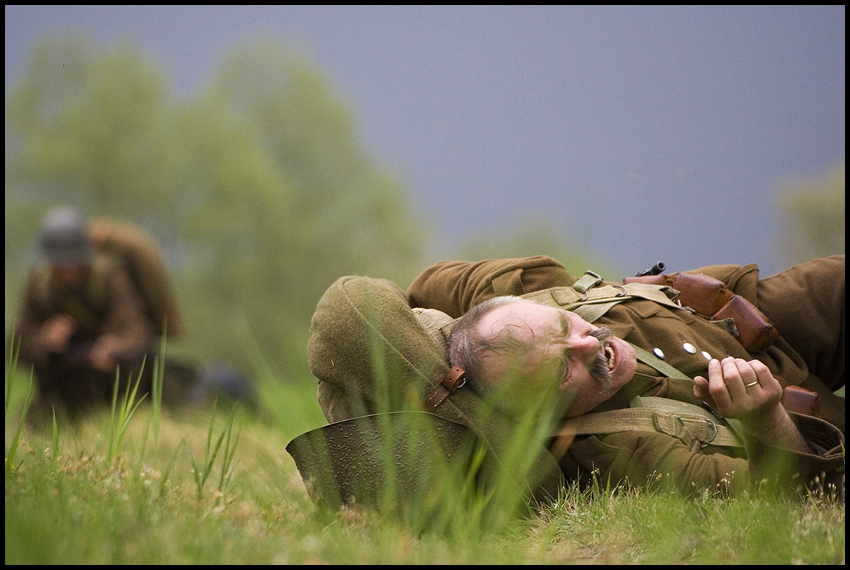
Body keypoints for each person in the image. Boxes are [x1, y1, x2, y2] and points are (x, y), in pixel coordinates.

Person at [405, 255, 845, 498]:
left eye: (563, 327)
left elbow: (409, 291)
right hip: (805, 418)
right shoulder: (621, 454)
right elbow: (801, 497)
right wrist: (766, 418)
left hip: (753, 317)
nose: (590, 344)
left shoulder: (513, 294)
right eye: (564, 370)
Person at [8, 207, 157, 421]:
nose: (68, 270)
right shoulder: (39, 285)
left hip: (110, 387)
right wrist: (43, 338)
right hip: (60, 390)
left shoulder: (108, 277)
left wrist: (113, 346)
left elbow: (138, 328)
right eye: (61, 264)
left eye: (74, 262)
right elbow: (16, 342)